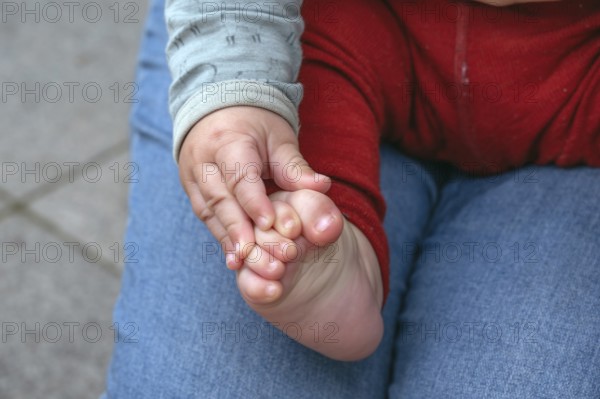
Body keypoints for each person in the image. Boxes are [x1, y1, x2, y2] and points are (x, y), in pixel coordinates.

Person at [103, 0, 600, 397]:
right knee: (289, 159)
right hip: (356, 20)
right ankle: (333, 266)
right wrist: (236, 81)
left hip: (577, 51)